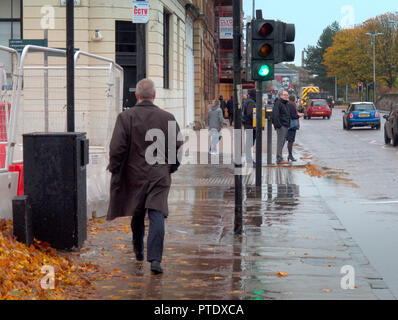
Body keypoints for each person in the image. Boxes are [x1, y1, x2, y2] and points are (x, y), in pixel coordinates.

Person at [107, 78, 183, 274]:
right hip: (159, 174)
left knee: (137, 211)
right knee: (157, 213)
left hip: (135, 173)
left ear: (137, 95)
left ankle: (138, 249)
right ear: (155, 95)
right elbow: (177, 145)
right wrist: (171, 167)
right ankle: (155, 260)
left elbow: (117, 148)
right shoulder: (168, 117)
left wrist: (115, 168)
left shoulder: (126, 117)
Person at [272, 90, 290, 164]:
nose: (286, 96)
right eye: (284, 95)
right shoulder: (278, 103)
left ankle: (280, 157)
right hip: (281, 126)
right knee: (280, 142)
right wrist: (279, 125)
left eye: (287, 95)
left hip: (285, 125)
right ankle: (279, 159)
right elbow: (275, 115)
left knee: (282, 142)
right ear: (281, 95)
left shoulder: (285, 103)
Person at [242, 89, 257, 166]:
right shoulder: (251, 102)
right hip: (250, 125)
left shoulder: (248, 101)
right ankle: (249, 161)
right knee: (250, 143)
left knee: (250, 143)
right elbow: (250, 114)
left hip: (249, 125)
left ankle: (249, 160)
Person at [286, 95, 301, 162]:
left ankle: (290, 155)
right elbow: (293, 115)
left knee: (290, 140)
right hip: (292, 126)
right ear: (294, 99)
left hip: (289, 125)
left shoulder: (288, 104)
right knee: (291, 140)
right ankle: (290, 155)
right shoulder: (292, 105)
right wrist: (299, 116)